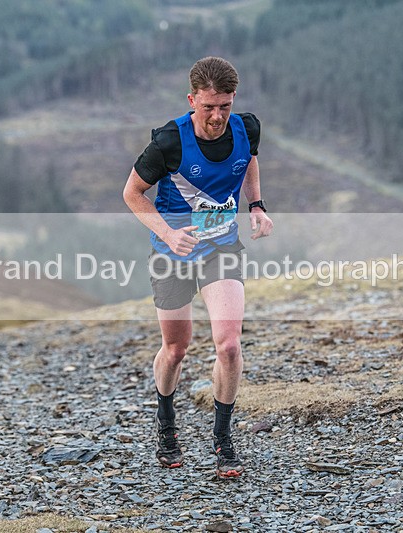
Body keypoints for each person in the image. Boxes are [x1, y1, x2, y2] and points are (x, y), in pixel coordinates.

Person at [123, 57, 273, 478]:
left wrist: (256, 205)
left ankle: (223, 438)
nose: (217, 116)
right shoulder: (170, 140)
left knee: (228, 344)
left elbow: (249, 160)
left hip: (221, 248)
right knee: (176, 349)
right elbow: (133, 194)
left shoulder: (247, 127)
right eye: (208, 107)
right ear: (193, 100)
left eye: (224, 105)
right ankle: (166, 423)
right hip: (173, 253)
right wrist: (168, 235)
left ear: (233, 99)